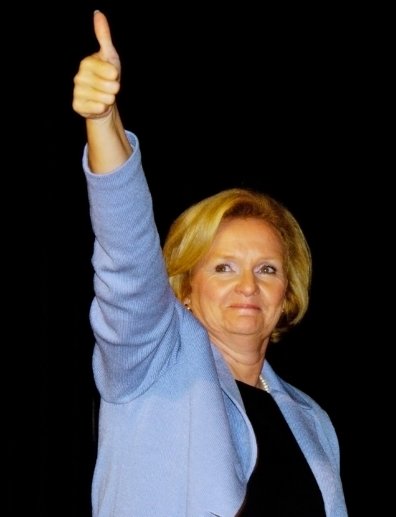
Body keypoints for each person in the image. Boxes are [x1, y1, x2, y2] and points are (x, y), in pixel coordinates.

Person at [72, 10, 347, 517]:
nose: (248, 284)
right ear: (183, 287)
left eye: (267, 269)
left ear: (287, 294)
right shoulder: (151, 364)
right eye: (222, 268)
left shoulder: (314, 422)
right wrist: (104, 124)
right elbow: (127, 261)